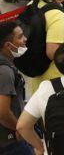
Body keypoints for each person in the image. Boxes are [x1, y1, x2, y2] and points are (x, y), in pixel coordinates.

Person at [0, 22, 31, 155]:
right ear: (8, 45)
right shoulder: (5, 71)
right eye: (20, 37)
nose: (25, 40)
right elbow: (3, 113)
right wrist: (19, 128)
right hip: (10, 142)